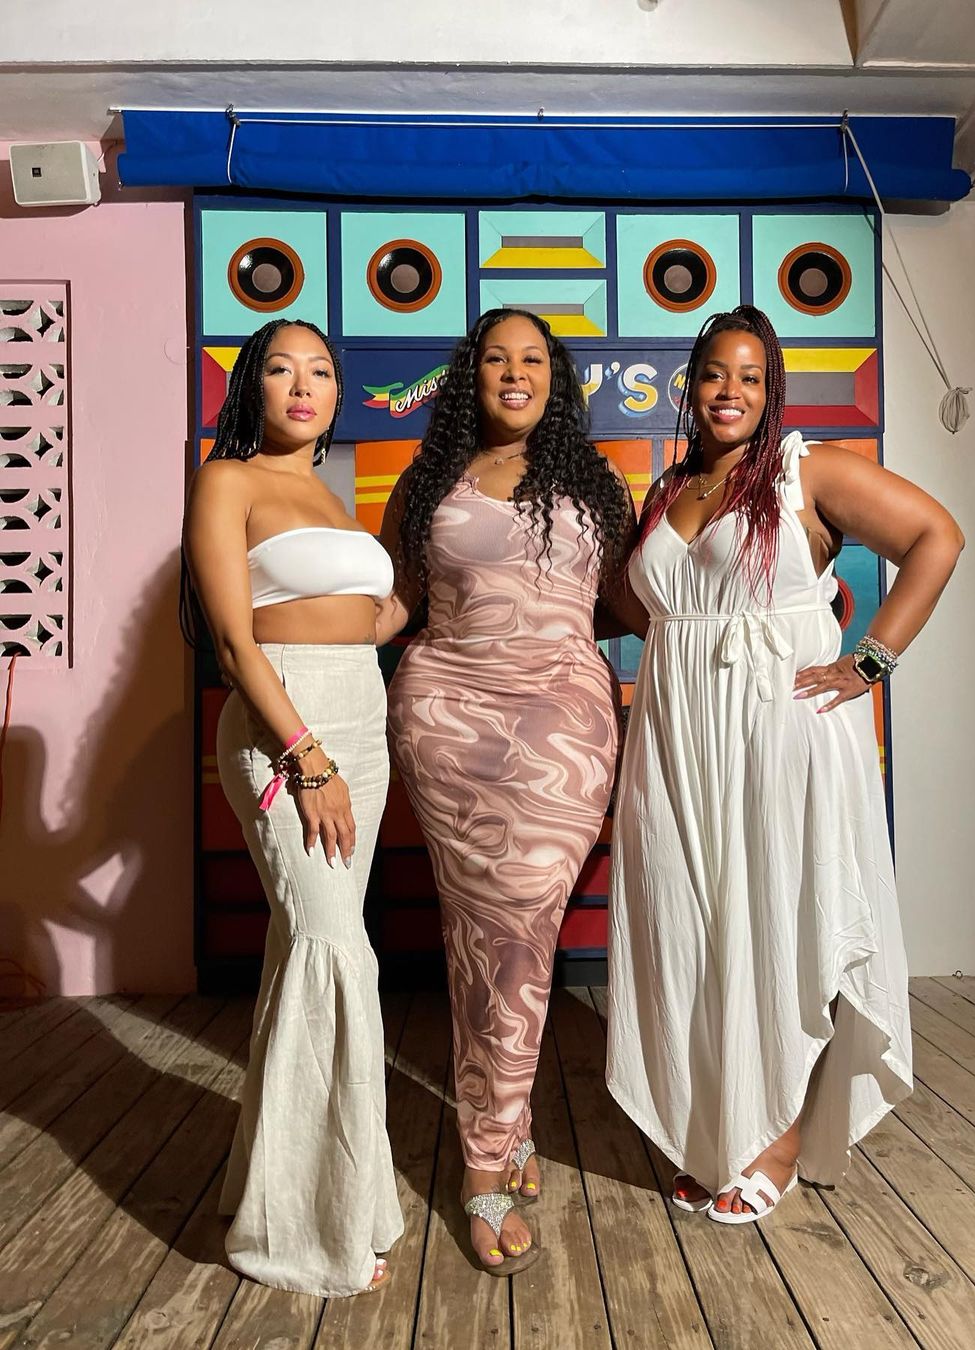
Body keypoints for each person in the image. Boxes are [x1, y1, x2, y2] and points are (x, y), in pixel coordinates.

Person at [606, 305, 964, 1224]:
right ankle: (713, 1131)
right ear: (690, 385)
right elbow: (650, 609)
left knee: (780, 926)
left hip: (780, 731)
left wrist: (869, 661)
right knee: (688, 929)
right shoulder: (669, 488)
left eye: (751, 376)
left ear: (773, 391)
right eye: (715, 373)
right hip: (678, 738)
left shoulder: (809, 470)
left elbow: (938, 537)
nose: (731, 391)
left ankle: (778, 1141)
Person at [378, 308, 635, 1273]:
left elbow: (631, 601)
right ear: (471, 375)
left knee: (523, 933)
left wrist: (757, 609)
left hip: (563, 726)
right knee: (478, 935)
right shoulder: (427, 479)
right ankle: (497, 1147)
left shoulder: (595, 483)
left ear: (554, 380)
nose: (514, 372)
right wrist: (280, 634)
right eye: (496, 358)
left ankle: (493, 1135)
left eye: (533, 359)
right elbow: (395, 604)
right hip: (447, 715)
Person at [182, 319, 402, 1295]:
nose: (303, 385)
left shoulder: (332, 494)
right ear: (252, 388)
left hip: (362, 712)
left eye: (319, 371)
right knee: (331, 950)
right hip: (288, 726)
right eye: (281, 368)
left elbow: (366, 619)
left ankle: (280, 1194)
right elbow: (235, 644)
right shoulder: (227, 480)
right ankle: (309, 1237)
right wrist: (308, 757)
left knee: (300, 955)